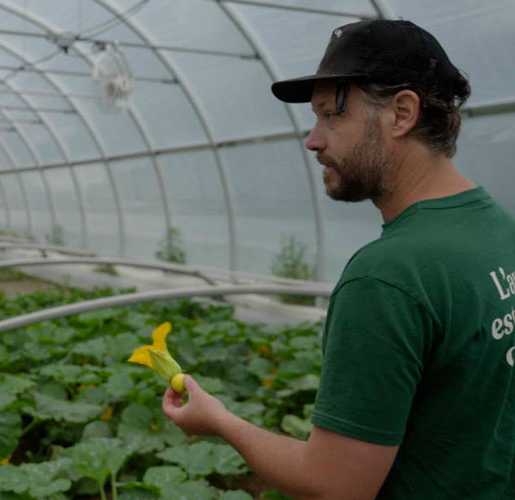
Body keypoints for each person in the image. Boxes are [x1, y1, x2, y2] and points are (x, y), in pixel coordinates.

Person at [163, 19, 515, 499]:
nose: (313, 139)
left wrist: (222, 422)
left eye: (331, 114)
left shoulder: (388, 277)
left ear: (401, 113)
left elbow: (334, 485)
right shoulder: (500, 227)